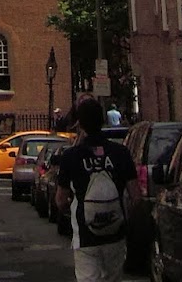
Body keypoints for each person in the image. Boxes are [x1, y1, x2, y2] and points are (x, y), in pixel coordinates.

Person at [55, 96, 139, 282]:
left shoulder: (71, 156)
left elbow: (60, 200)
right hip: (115, 234)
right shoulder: (120, 153)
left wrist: (71, 213)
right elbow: (136, 196)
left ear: (80, 124)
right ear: (102, 120)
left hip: (85, 236)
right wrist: (124, 218)